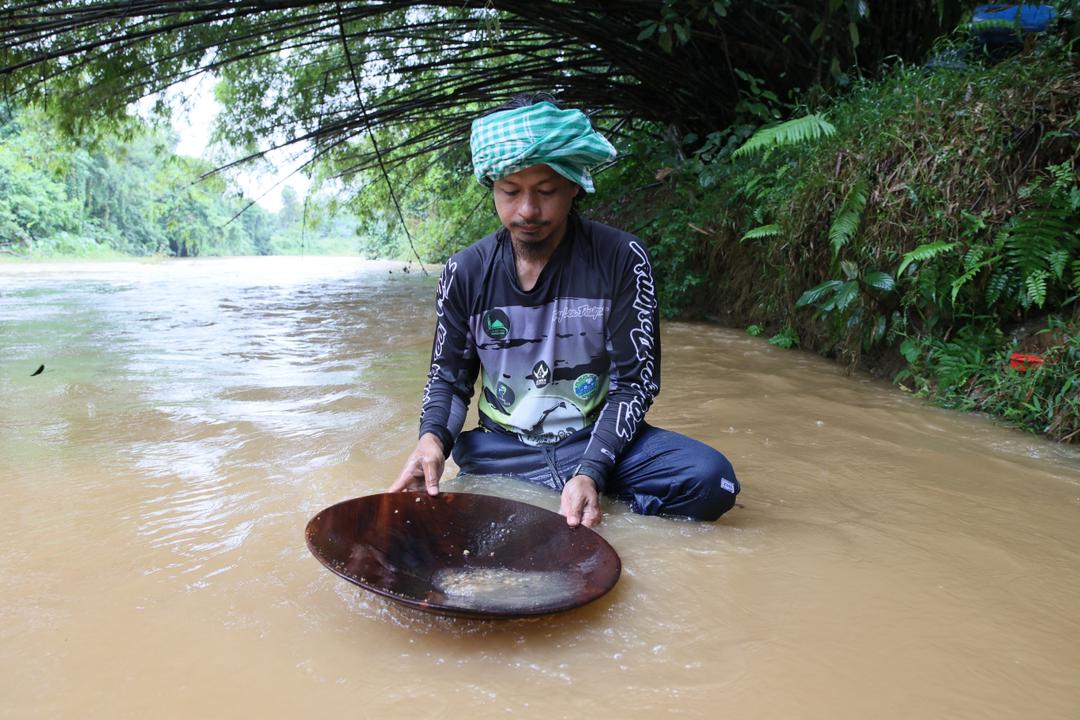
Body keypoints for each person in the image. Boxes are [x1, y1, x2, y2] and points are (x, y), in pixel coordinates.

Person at [390, 93, 739, 527]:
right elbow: (450, 379)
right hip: (502, 449)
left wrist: (591, 471)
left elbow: (635, 384)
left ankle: (593, 496)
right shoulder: (464, 271)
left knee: (712, 482)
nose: (528, 210)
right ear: (492, 188)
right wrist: (431, 442)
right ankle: (573, 496)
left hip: (596, 441)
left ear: (575, 184)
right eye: (510, 191)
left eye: (547, 191)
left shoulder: (621, 257)